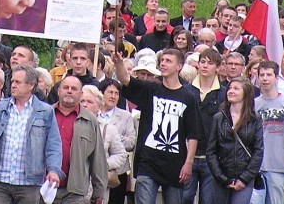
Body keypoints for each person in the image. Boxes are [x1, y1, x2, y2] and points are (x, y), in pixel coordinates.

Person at [113, 49, 202, 204]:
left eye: (169, 61)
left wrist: (188, 163)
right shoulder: (151, 89)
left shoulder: (188, 97)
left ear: (179, 66)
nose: (163, 64)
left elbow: (193, 134)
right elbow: (125, 79)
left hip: (175, 163)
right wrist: (119, 63)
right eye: (162, 60)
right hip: (148, 161)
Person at [0, 64, 62, 204]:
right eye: (12, 81)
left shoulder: (45, 111)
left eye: (18, 82)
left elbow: (53, 145)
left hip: (29, 183)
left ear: (31, 85)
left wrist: (53, 170)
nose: (13, 85)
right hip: (0, 180)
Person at [250, 61, 284, 204]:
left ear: (276, 78)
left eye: (269, 75)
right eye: (262, 75)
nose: (265, 78)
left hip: (278, 166)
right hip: (256, 166)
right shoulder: (253, 104)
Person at [205, 78, 264, 204]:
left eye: (236, 89)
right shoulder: (218, 118)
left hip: (245, 177)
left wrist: (244, 178)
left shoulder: (255, 119)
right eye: (230, 88)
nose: (231, 91)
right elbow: (211, 151)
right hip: (222, 176)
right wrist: (221, 177)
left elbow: (258, 151)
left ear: (246, 93)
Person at [51, 77, 107, 204]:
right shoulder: (46, 114)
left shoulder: (90, 120)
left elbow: (97, 158)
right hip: (45, 187)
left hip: (75, 192)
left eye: (74, 89)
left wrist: (99, 192)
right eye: (66, 88)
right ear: (58, 91)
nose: (69, 91)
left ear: (80, 94)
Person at [183, 48, 225, 204]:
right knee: (185, 198)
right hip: (188, 155)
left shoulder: (223, 94)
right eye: (202, 62)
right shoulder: (186, 91)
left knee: (208, 200)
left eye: (210, 63)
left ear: (218, 67)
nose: (205, 66)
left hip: (211, 157)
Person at [80, 85, 125, 204]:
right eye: (82, 101)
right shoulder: (71, 125)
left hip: (97, 190)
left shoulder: (108, 129)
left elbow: (121, 155)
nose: (85, 105)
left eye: (89, 102)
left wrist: (102, 164)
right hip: (74, 189)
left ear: (99, 106)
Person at [96, 79, 135, 204]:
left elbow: (131, 143)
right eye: (110, 92)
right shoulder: (93, 114)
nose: (113, 96)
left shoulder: (126, 116)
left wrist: (113, 137)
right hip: (94, 170)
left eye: (116, 93)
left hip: (117, 172)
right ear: (102, 93)